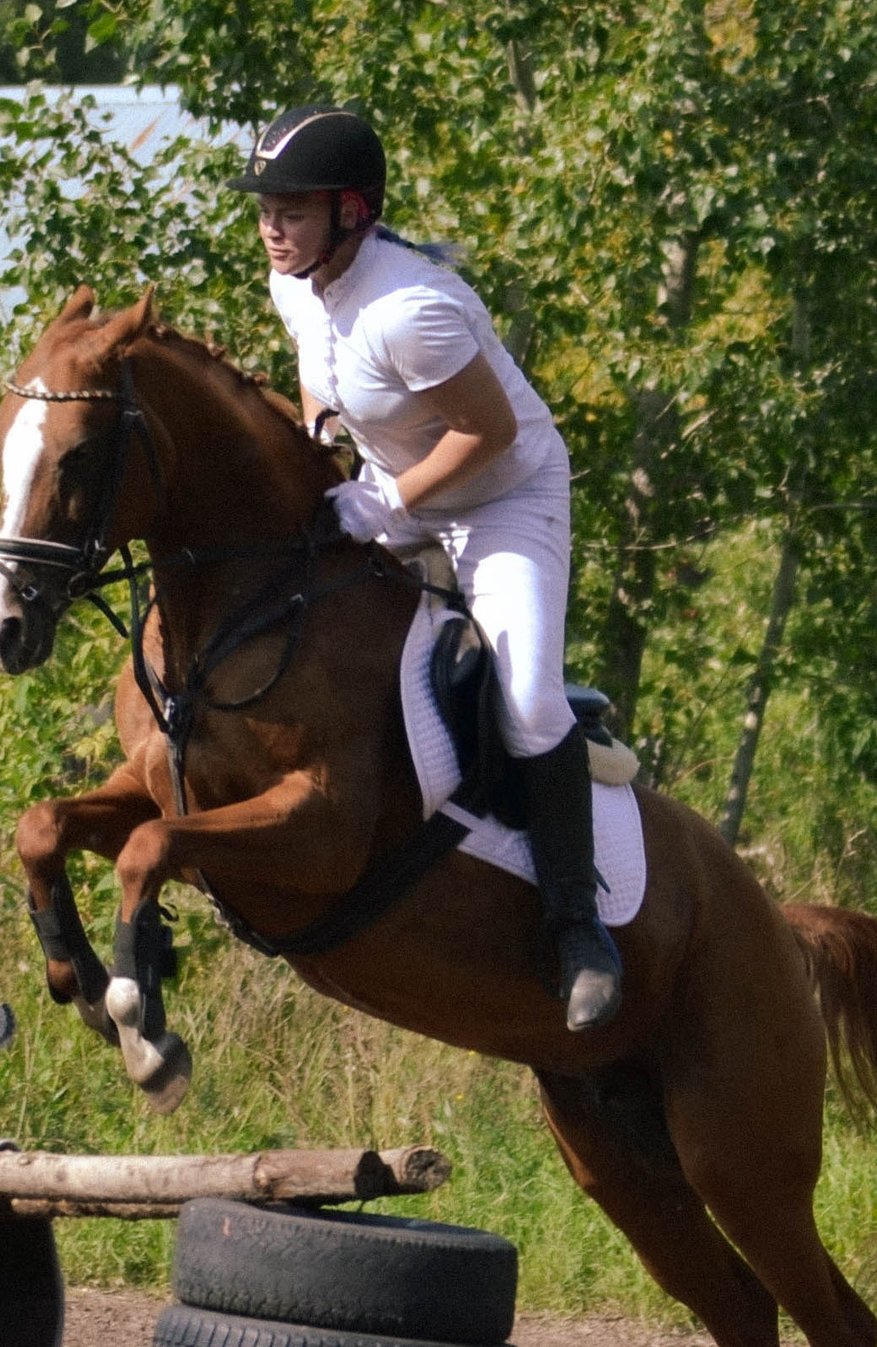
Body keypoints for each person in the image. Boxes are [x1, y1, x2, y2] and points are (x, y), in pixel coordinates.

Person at [229, 104, 621, 1031]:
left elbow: (489, 434)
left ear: (353, 210)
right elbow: (319, 368)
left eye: (292, 207)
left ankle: (579, 927)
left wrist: (392, 504)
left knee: (527, 699)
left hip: (501, 498)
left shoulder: (415, 310)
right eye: (264, 208)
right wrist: (323, 431)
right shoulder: (298, 279)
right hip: (395, 483)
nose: (271, 225)